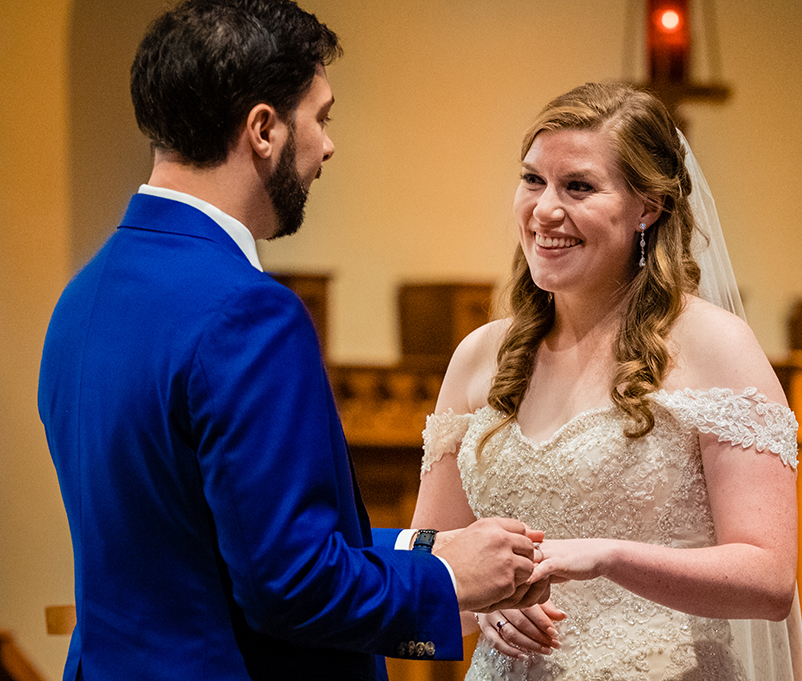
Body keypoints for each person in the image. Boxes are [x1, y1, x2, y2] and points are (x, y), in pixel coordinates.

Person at [36, 1, 548, 679]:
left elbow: (213, 541)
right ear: (263, 129)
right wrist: (446, 581)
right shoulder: (246, 312)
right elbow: (288, 581)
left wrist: (430, 546)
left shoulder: (82, 296)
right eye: (321, 116)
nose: (327, 145)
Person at [412, 81, 802, 681]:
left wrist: (607, 557)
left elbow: (770, 580)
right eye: (532, 181)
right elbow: (429, 568)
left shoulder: (714, 347)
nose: (545, 210)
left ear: (646, 207)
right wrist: (485, 607)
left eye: (579, 187)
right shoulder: (479, 357)